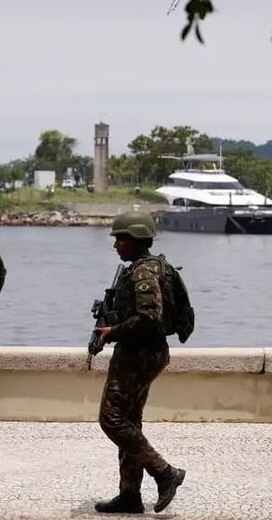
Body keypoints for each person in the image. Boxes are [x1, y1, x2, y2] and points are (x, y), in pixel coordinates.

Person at [92, 210, 185, 514]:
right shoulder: (145, 267)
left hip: (139, 354)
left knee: (112, 420)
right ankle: (130, 494)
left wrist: (113, 331)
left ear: (134, 239)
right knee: (129, 422)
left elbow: (149, 316)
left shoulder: (144, 272)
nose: (115, 244)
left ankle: (165, 473)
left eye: (120, 238)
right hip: (143, 352)